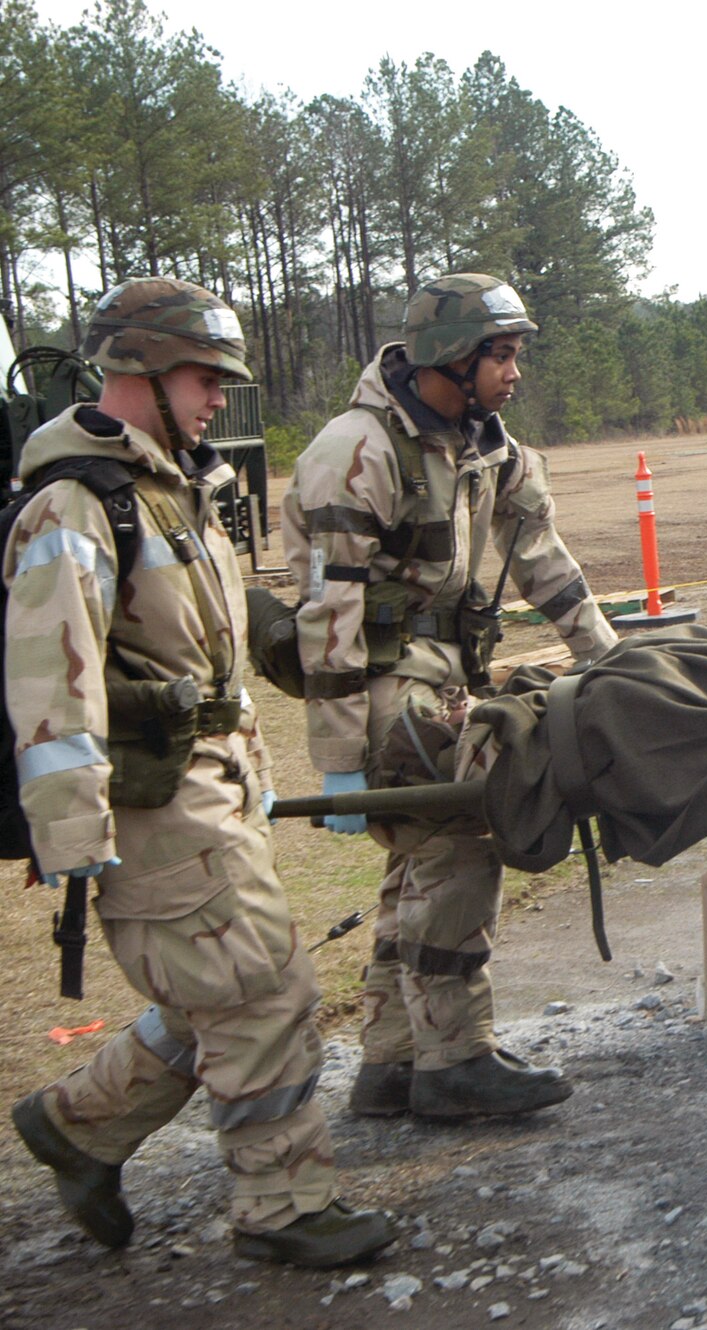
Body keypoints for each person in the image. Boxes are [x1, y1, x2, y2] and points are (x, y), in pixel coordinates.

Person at [6, 279, 391, 1265]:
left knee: (208, 992)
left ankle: (78, 1125)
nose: (220, 395)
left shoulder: (173, 486)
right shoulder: (76, 504)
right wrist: (72, 839)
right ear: (138, 369)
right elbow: (53, 689)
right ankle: (283, 1204)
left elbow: (213, 639)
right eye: (204, 376)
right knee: (262, 984)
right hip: (150, 805)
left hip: (213, 784)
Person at [281, 274, 617, 1120]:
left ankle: (392, 1063)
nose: (514, 372)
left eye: (514, 355)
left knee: (419, 862)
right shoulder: (356, 452)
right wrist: (339, 767)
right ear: (450, 358)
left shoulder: (489, 447)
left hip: (448, 674)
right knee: (470, 824)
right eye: (499, 355)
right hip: (384, 685)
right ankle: (455, 1058)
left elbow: (543, 558)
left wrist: (608, 661)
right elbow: (330, 616)